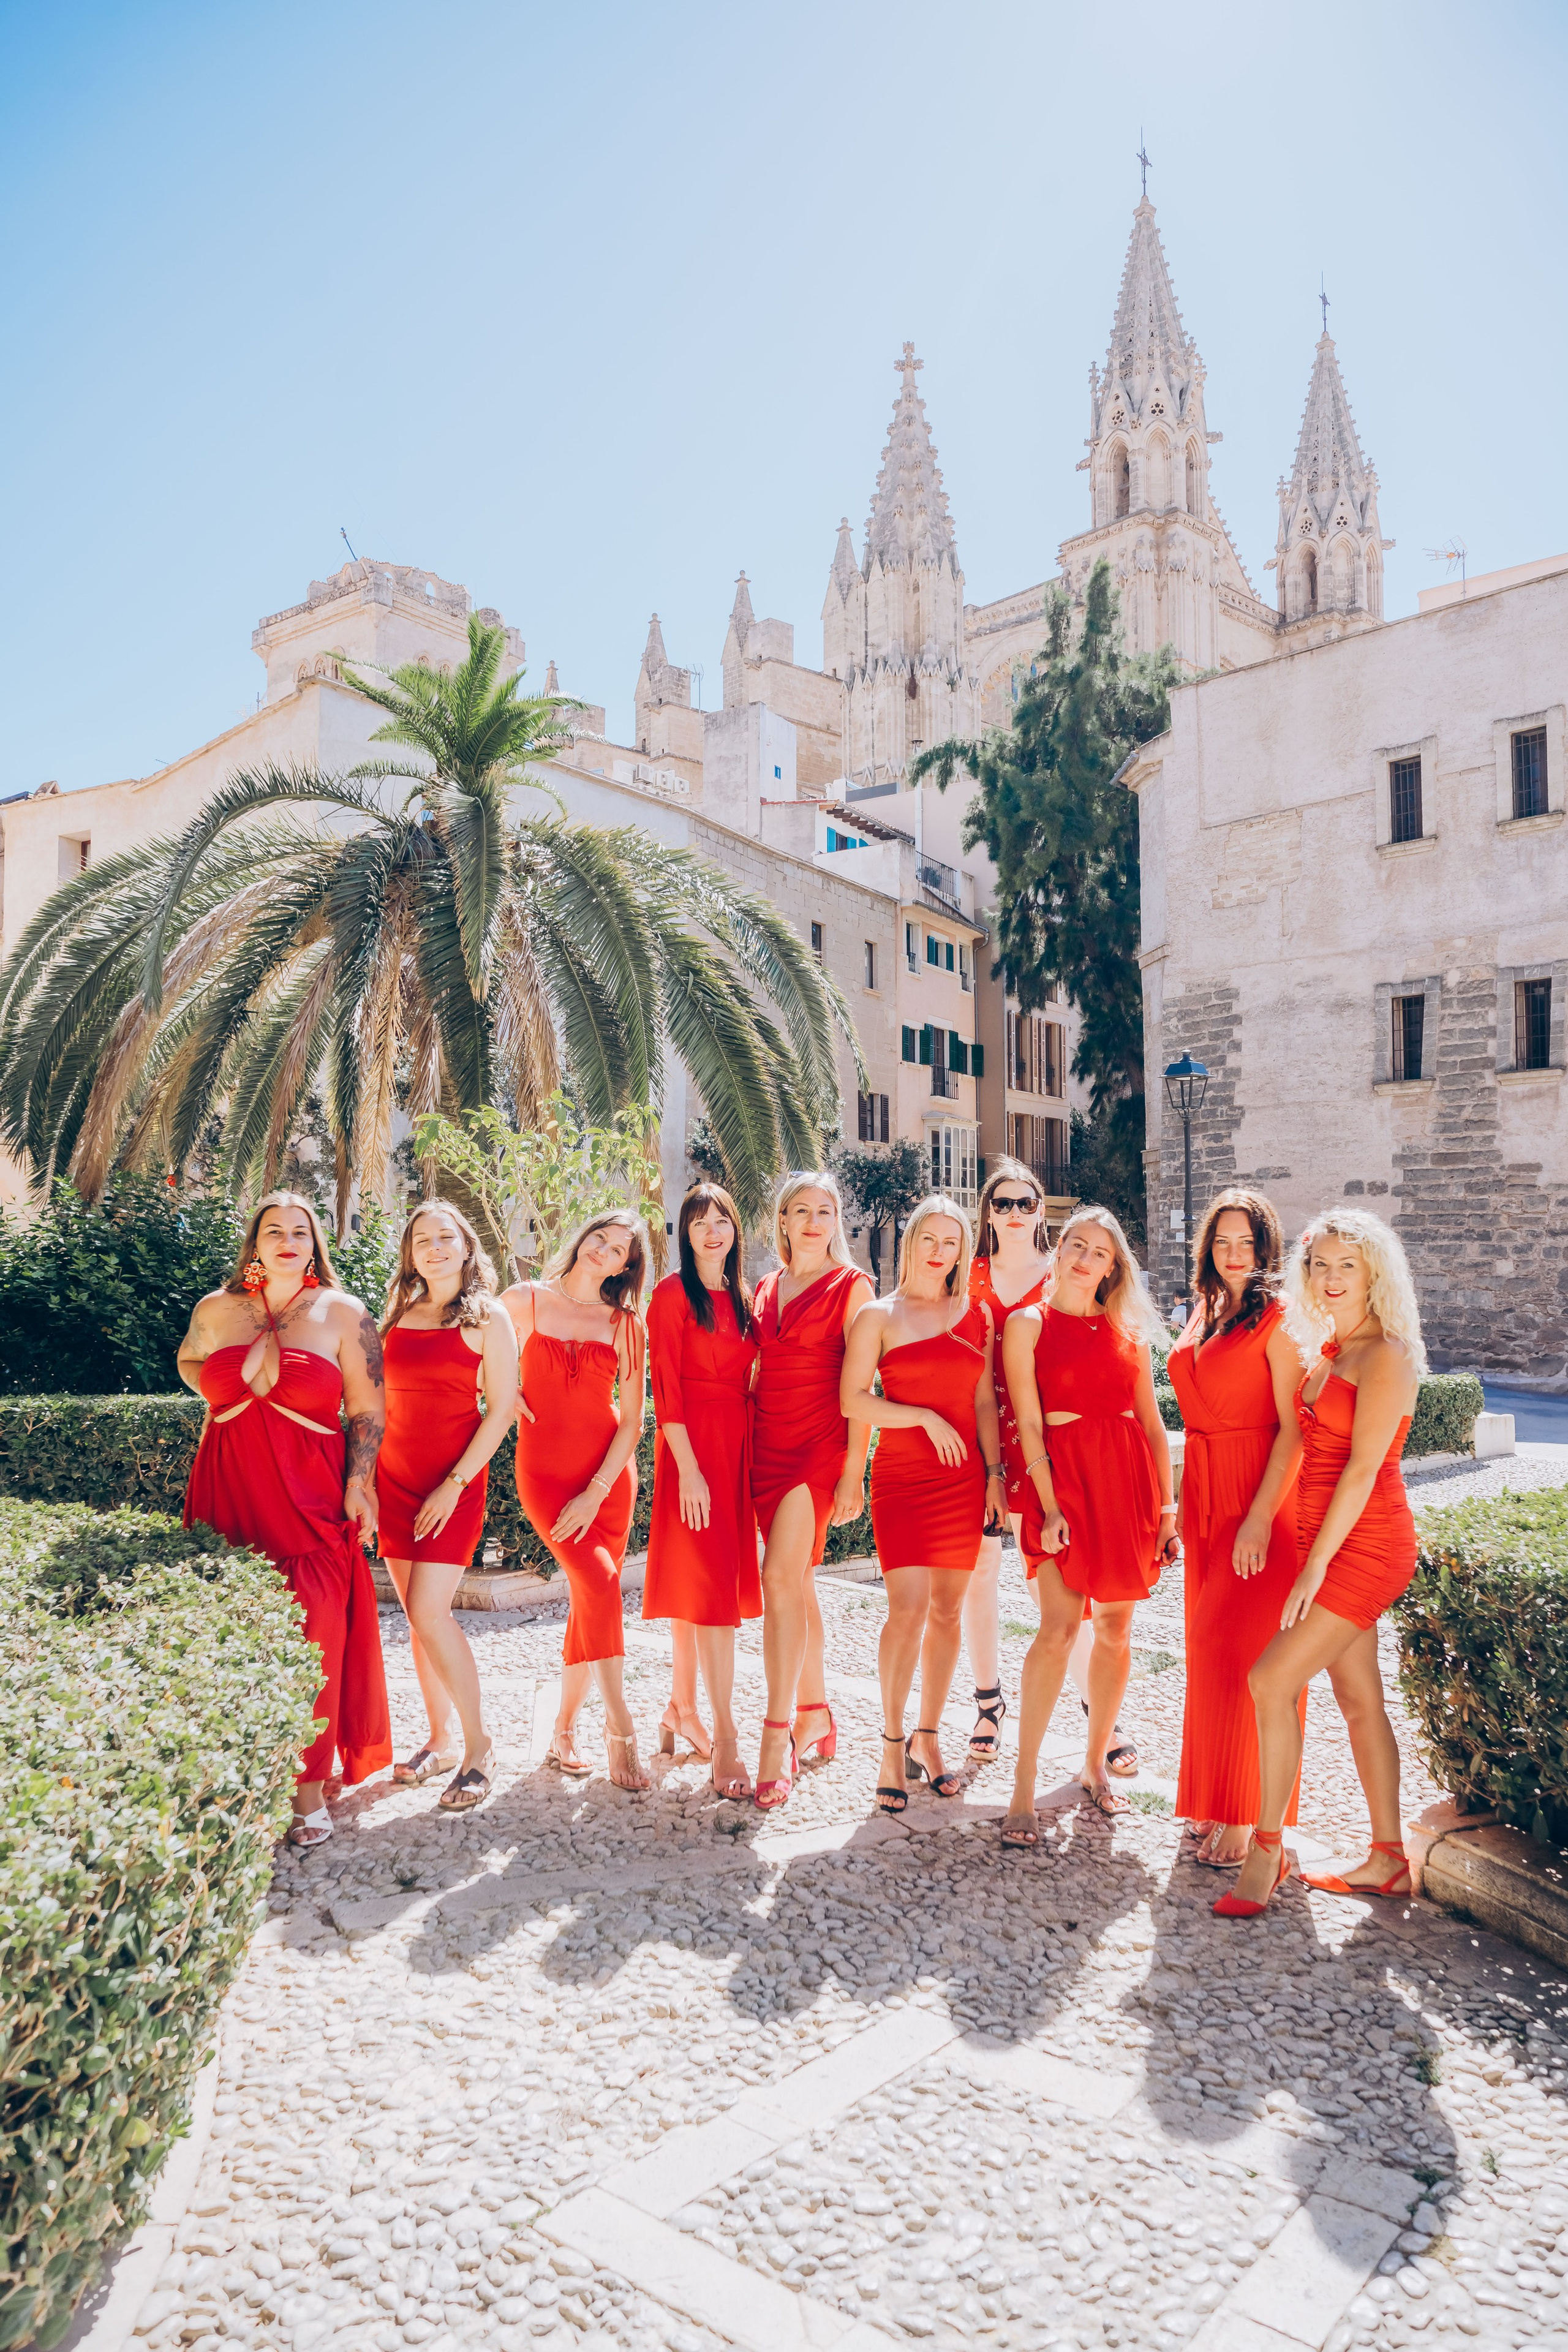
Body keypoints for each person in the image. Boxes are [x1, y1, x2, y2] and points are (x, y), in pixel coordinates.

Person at [1216, 1208, 1423, 1918]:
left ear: (1374, 1275)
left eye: (1347, 1267)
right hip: (1324, 1542)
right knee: (1359, 1700)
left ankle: (1267, 1849)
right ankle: (1388, 1860)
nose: (1331, 1279)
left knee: (1269, 1680)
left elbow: (1364, 1470)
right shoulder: (1332, 1348)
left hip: (1365, 1547)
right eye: (1320, 1265)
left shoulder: (1387, 1355)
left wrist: (1310, 1572)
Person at [179, 1190, 392, 1848]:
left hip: (310, 1496)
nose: (287, 1239)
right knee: (228, 1637)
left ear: (315, 1242)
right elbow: (191, 1359)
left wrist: (359, 1486)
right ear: (254, 1243)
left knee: (315, 1640)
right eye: (273, 1230)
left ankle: (306, 1792)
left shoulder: (344, 1313)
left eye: (300, 1230)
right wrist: (225, 1397)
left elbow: (367, 1410)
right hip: (226, 1489)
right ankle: (239, 1777)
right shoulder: (217, 1309)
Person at [1000, 1206, 1177, 1847]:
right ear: (1059, 1249)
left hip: (1126, 1488)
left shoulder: (1126, 1331)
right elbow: (1027, 1423)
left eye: (1098, 1252)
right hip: (1062, 1484)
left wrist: (1165, 1513)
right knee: (1056, 1629)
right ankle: (1021, 1784)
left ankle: (1094, 1764)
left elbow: (1153, 1429)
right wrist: (1048, 1505)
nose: (1083, 1259)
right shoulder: (1027, 1324)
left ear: (1112, 1267)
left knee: (1115, 1628)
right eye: (1075, 1245)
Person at [841, 1194, 1007, 1814]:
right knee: (906, 1611)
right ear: (910, 1242)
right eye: (929, 1240)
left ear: (964, 1250)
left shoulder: (978, 1315)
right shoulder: (877, 1316)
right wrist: (917, 1415)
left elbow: (986, 1402)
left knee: (947, 1613)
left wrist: (994, 1476)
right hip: (904, 1480)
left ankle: (928, 1738)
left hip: (964, 1480)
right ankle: (890, 1744)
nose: (940, 1253)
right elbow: (853, 1400)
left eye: (952, 1243)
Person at [1167, 1189, 1304, 1868]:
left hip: (1257, 1494)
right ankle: (1215, 1798)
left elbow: (1294, 1429)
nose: (1233, 1253)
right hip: (1204, 1494)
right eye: (1221, 1241)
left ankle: (1250, 1820)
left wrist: (1257, 1518)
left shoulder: (1279, 1318)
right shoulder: (1207, 1309)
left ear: (1266, 1247)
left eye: (1246, 1242)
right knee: (1207, 1651)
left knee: (1247, 1654)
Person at [503, 1210, 650, 1790]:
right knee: (598, 1585)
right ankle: (621, 1729)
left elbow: (634, 1421)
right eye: (601, 1239)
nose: (605, 1253)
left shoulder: (626, 1324)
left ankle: (563, 1728)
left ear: (626, 1268)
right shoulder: (525, 1301)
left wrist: (596, 1492)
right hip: (543, 1476)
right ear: (582, 1235)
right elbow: (467, 1346)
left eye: (619, 1251)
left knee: (591, 1599)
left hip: (608, 1482)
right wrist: (499, 1386)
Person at [378, 1202, 518, 1812]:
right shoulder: (396, 1313)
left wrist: (454, 1484)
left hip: (450, 1487)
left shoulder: (489, 1317)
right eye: (421, 1239)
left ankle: (479, 1747)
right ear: (409, 1252)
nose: (433, 1248)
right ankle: (437, 1741)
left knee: (433, 1614)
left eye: (445, 1238)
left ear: (466, 1247)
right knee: (415, 1618)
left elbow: (503, 1410)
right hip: (392, 1484)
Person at [750, 1173, 875, 1808]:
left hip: (815, 1448)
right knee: (795, 1583)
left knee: (777, 1580)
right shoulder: (766, 1286)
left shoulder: (855, 1289)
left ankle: (776, 1739)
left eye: (826, 1210)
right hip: (763, 1445)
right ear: (783, 1220)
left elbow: (862, 1387)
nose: (814, 1220)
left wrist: (855, 1469)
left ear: (837, 1221)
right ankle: (816, 1711)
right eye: (802, 1210)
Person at [643, 1184, 761, 1800]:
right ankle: (726, 1737)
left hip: (734, 1449)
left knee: (703, 1587)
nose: (713, 1230)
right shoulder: (670, 1296)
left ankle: (679, 1708)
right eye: (699, 1222)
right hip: (693, 1454)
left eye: (723, 1219)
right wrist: (687, 1468)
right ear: (684, 1235)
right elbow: (665, 1387)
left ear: (736, 1228)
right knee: (714, 1598)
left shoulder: (743, 1297)